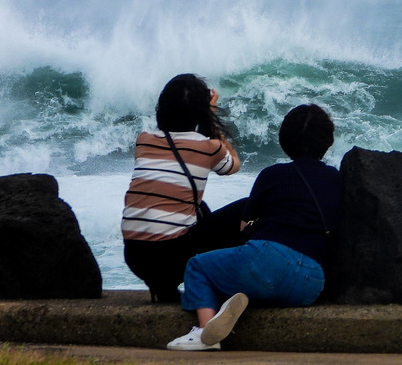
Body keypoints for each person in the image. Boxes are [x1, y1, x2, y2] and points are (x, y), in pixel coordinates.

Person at [167, 103, 342, 351]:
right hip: (311, 281)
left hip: (267, 260)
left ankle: (206, 333)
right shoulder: (336, 179)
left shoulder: (272, 175)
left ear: (284, 140)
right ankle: (238, 299)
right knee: (264, 278)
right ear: (327, 141)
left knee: (198, 266)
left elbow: (243, 226)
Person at [122, 73, 244, 303]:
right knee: (251, 207)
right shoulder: (209, 147)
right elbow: (233, 165)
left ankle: (164, 288)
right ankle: (221, 287)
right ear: (200, 112)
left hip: (135, 257)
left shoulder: (144, 140)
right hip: (171, 259)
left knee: (199, 207)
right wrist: (211, 118)